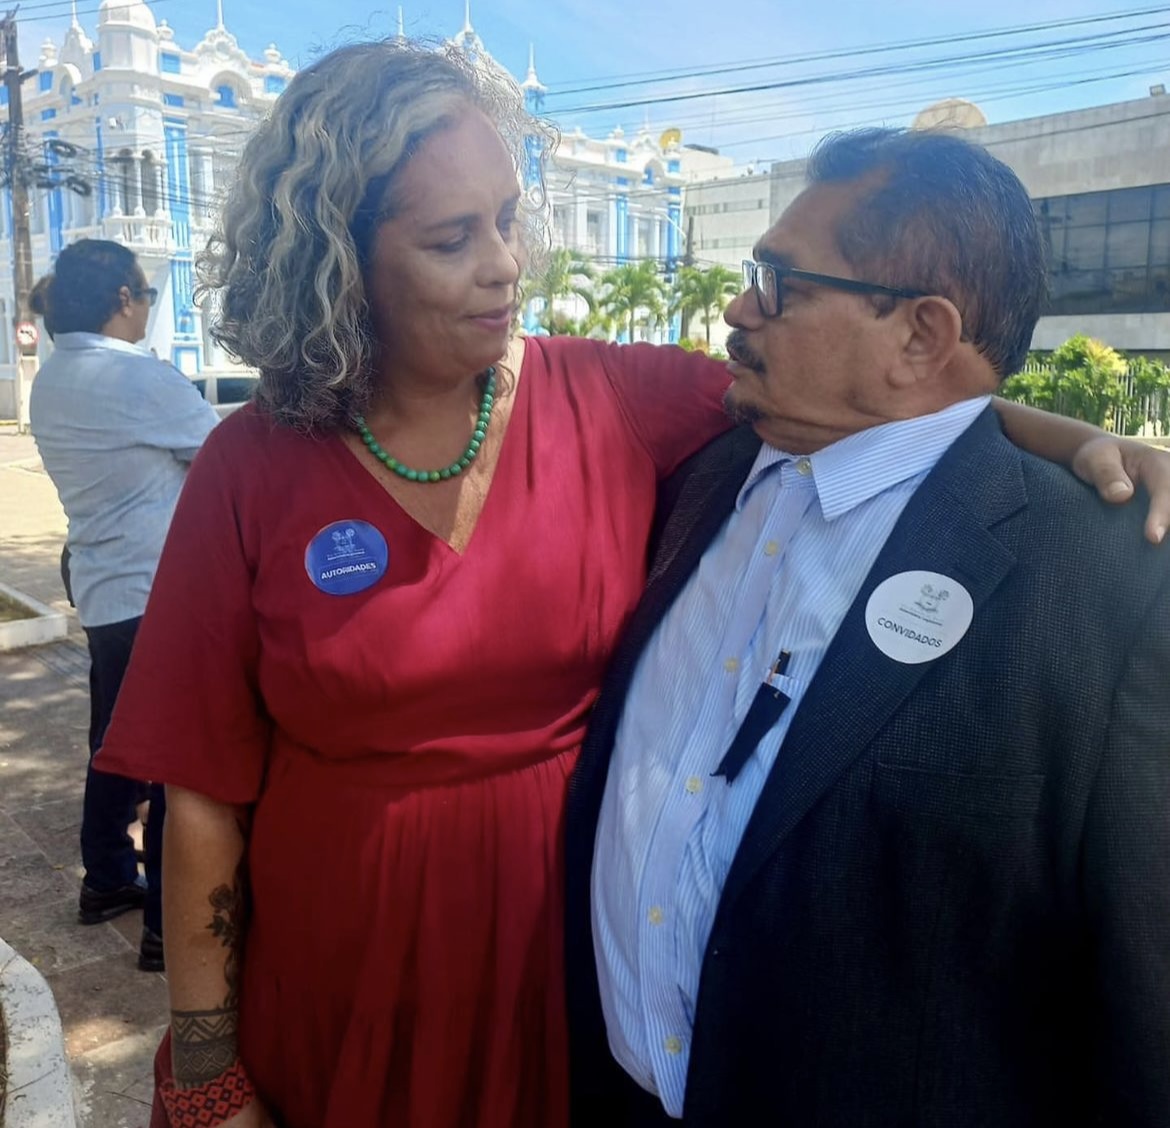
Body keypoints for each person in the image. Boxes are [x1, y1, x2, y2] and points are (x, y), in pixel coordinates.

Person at [94, 42, 1170, 1128]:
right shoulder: (253, 462)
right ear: (340, 260)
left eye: (508, 219)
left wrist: (1082, 439)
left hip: (561, 994)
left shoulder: (609, 397)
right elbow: (201, 792)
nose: (504, 265)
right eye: (452, 239)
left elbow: (883, 397)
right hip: (344, 978)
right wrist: (208, 1074)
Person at [565, 127, 1170, 1128]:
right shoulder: (697, 476)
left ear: (922, 337)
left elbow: (1145, 1011)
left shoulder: (1108, 585)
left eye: (780, 283)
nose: (738, 309)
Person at [28, 239, 219, 973]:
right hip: (157, 595)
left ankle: (107, 876)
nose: (147, 308)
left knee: (115, 740)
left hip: (105, 594)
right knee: (175, 760)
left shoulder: (53, 377)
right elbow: (221, 460)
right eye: (146, 294)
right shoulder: (137, 377)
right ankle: (170, 925)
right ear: (121, 299)